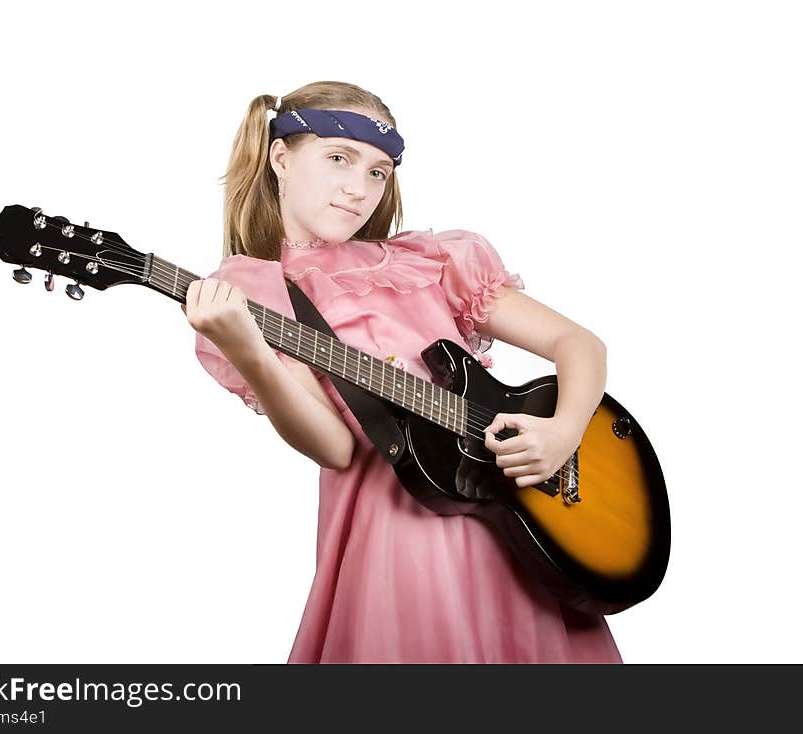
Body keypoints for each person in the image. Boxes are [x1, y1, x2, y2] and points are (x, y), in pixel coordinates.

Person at [182, 80, 622, 663]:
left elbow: (579, 344)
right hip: (396, 533)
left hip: (516, 522)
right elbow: (336, 448)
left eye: (378, 172)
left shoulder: (430, 263)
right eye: (338, 159)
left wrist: (562, 432)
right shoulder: (257, 292)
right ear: (280, 157)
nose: (357, 188)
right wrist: (251, 353)